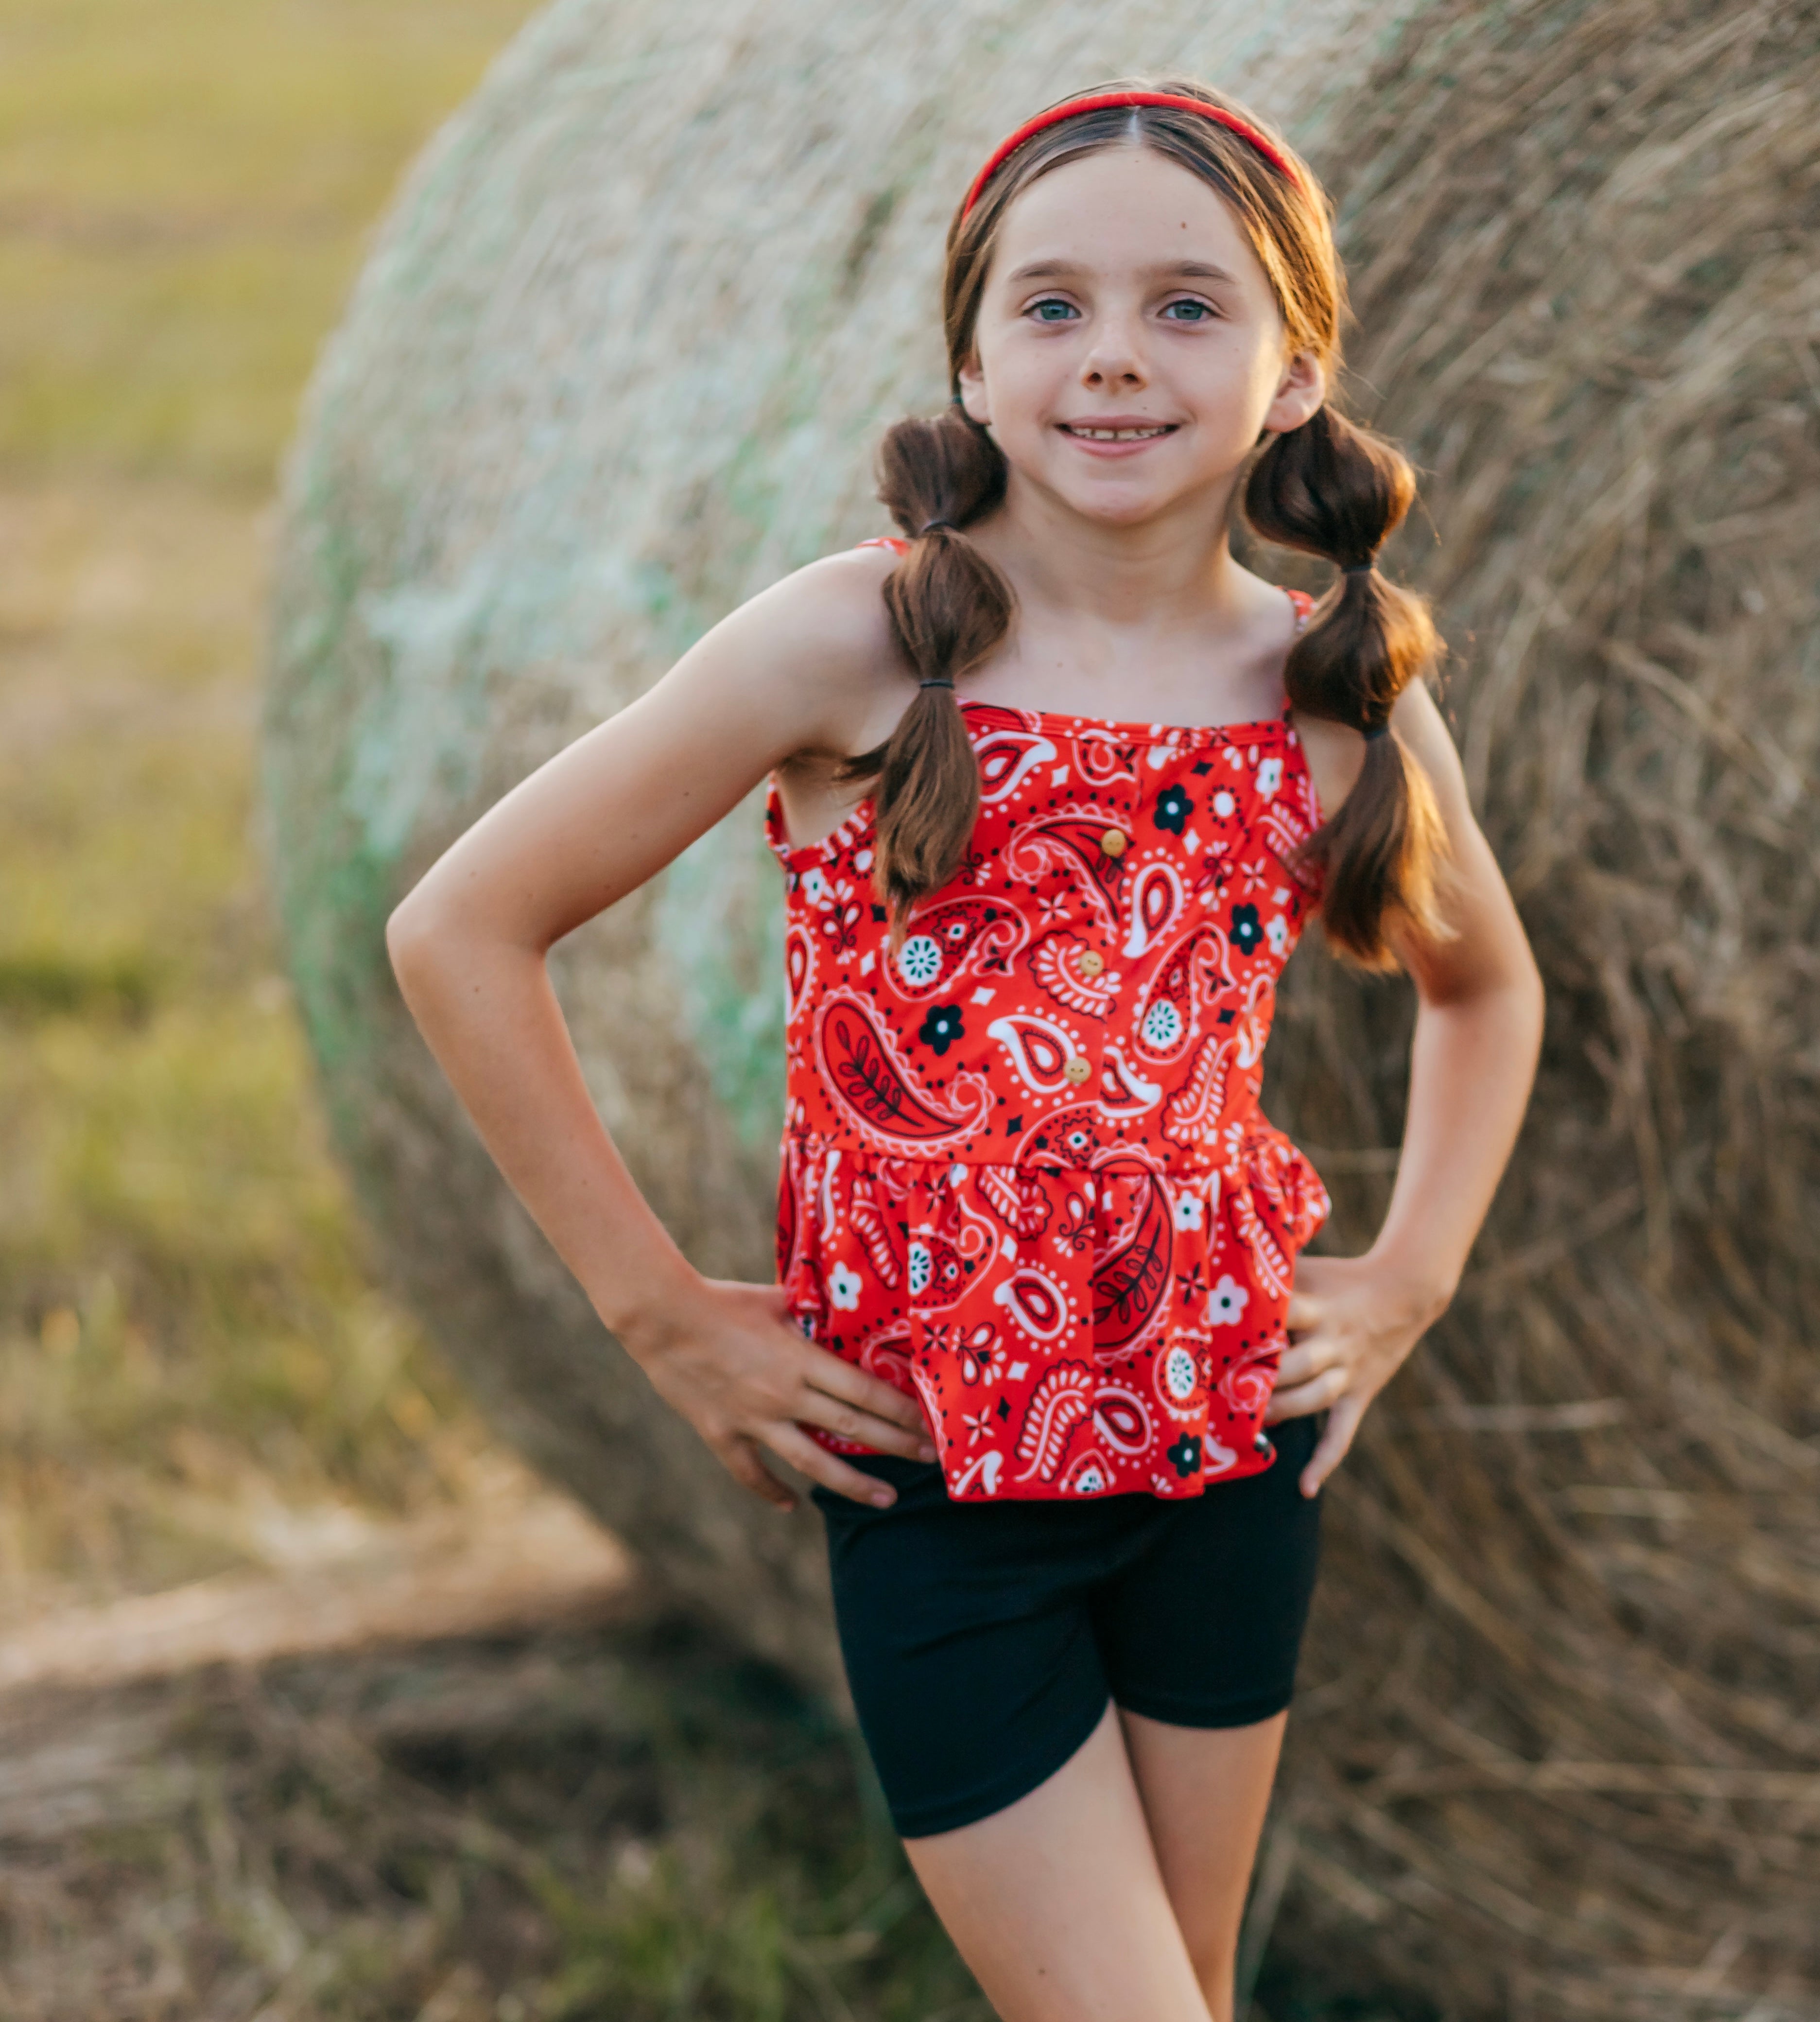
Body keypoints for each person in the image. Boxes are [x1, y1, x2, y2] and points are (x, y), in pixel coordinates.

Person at [386, 77, 1543, 2022]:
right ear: (973, 360)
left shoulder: (1328, 693)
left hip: (1226, 1450)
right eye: (1051, 305)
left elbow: (1482, 984)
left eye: (1185, 306)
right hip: (941, 1481)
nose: (1110, 356)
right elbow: (461, 929)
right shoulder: (853, 644)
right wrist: (655, 1311)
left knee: (1184, 1988)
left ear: (1287, 375)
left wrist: (1411, 1269)